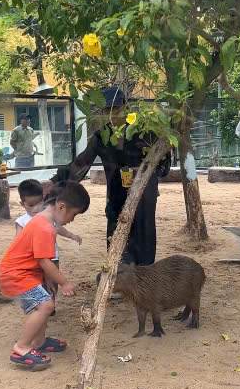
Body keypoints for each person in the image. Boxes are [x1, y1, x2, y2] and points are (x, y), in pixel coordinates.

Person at [53, 86, 171, 267]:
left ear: (126, 107)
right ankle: (119, 276)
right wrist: (54, 182)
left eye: (115, 109)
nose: (112, 114)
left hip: (144, 195)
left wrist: (145, 171)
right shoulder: (102, 137)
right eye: (107, 110)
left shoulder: (145, 131)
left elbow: (163, 160)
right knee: (115, 235)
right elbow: (81, 163)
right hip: (116, 197)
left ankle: (144, 278)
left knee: (144, 234)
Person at [0, 180, 89, 368]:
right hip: (16, 274)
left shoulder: (44, 222)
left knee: (43, 302)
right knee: (45, 305)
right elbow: (44, 260)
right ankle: (21, 348)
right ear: (62, 206)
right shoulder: (43, 226)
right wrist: (64, 283)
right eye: (74, 214)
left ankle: (39, 342)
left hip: (25, 272)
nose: (72, 219)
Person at [15, 179, 83, 306]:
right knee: (37, 283)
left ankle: (50, 305)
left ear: (43, 200)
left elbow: (58, 228)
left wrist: (72, 235)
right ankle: (39, 306)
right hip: (33, 261)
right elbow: (18, 241)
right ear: (22, 203)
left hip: (52, 257)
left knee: (52, 282)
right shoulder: (22, 221)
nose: (35, 208)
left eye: (39, 203)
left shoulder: (48, 216)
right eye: (30, 205)